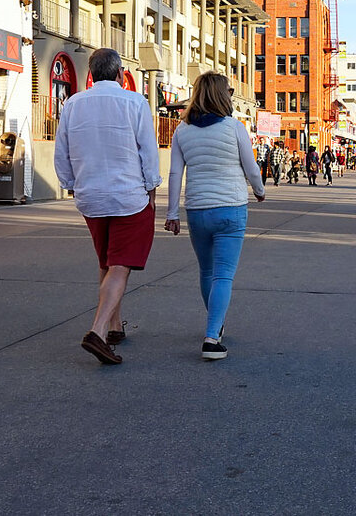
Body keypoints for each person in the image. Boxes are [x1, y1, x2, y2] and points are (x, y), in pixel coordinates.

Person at [55, 48, 161, 365]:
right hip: (128, 194)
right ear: (119, 74)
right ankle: (98, 331)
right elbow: (148, 149)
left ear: (91, 74)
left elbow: (62, 150)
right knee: (120, 265)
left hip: (91, 195)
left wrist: (71, 184)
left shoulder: (72, 104)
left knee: (107, 260)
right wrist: (152, 187)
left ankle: (115, 325)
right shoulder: (135, 102)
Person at [163, 72, 266, 360]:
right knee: (223, 275)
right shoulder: (234, 127)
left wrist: (172, 212)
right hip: (230, 208)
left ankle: (215, 324)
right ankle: (211, 338)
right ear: (223, 96)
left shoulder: (182, 130)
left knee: (207, 272)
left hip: (197, 210)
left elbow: (174, 174)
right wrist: (259, 190)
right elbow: (251, 167)